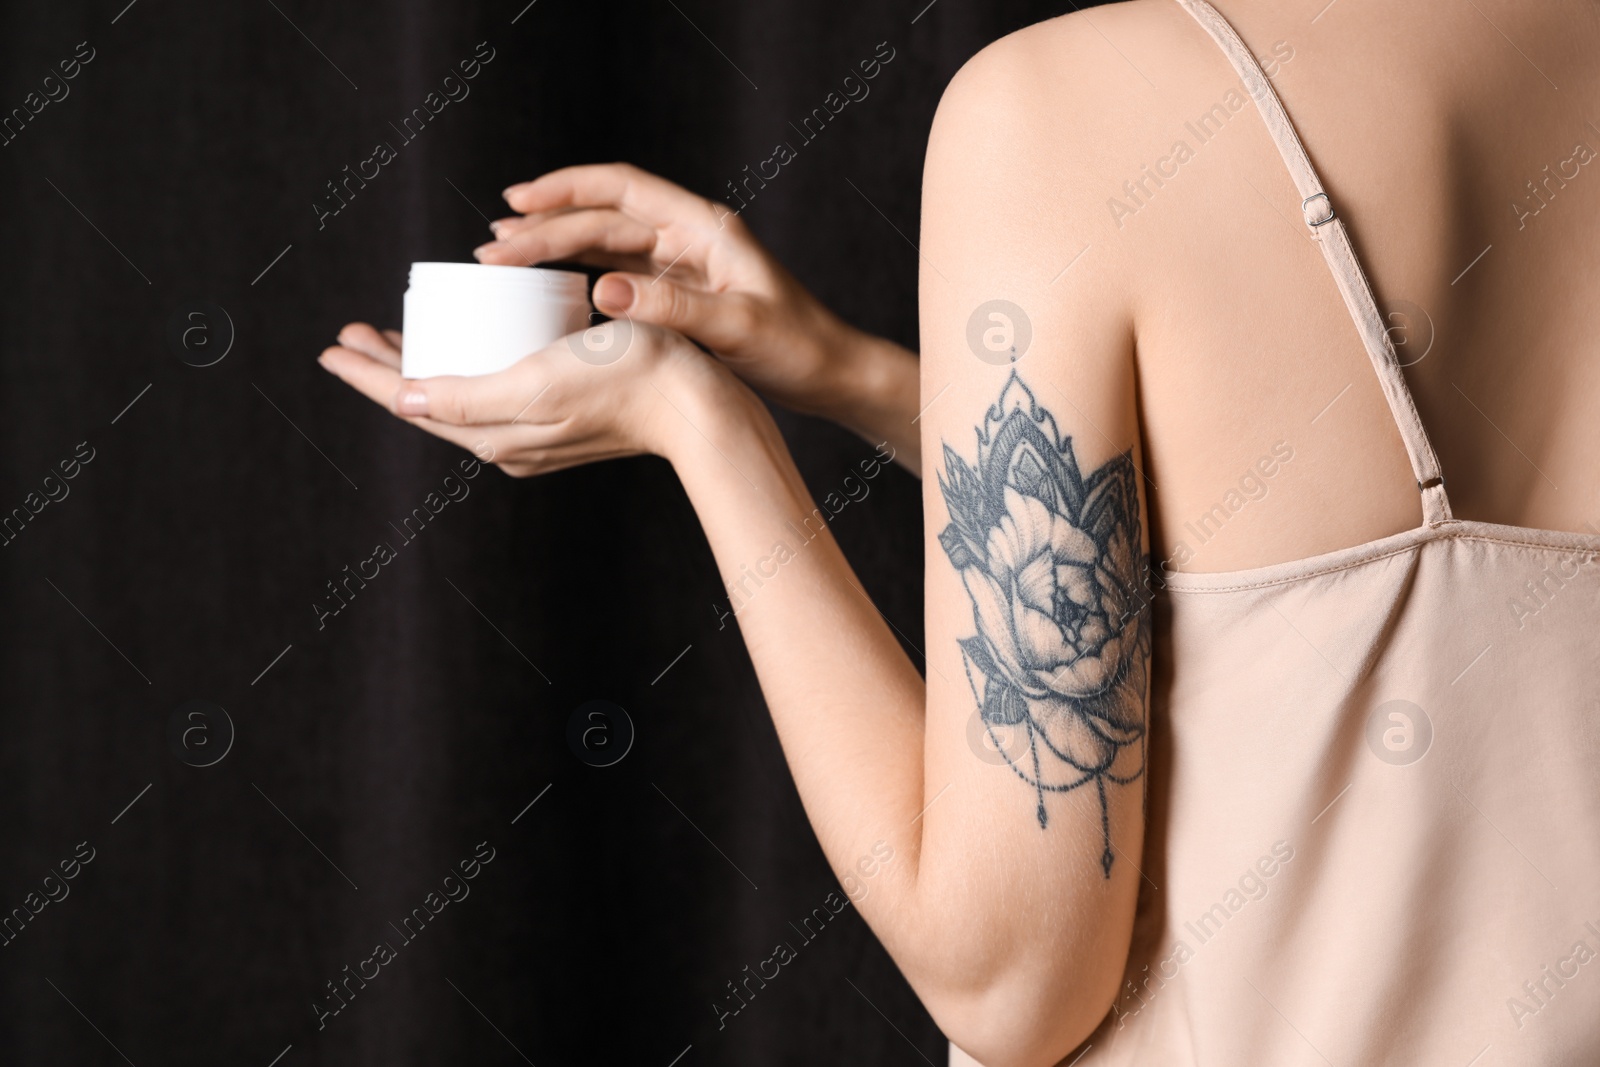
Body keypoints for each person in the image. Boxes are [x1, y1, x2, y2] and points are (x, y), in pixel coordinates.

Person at [318, 0, 1600, 1062]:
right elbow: (1325, 582)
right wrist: (850, 375)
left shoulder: (1063, 114)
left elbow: (1012, 980)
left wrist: (696, 416)